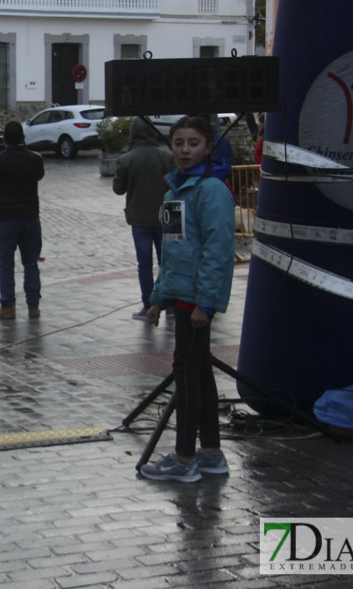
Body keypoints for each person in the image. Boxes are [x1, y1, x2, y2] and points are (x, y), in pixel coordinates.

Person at [140, 116, 236, 483]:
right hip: (180, 299)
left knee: (186, 373)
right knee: (197, 372)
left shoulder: (212, 190)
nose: (184, 150)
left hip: (196, 303)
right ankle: (210, 454)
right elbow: (172, 249)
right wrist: (157, 298)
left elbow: (218, 249)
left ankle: (183, 459)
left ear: (208, 147)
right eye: (178, 142)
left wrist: (206, 303)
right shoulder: (172, 192)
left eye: (193, 143)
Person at [0, 121, 45, 320]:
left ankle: (8, 306)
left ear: (4, 140)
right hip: (30, 216)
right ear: (23, 138)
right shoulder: (35, 159)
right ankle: (33, 307)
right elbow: (39, 176)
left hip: (6, 218)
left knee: (6, 263)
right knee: (31, 263)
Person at [113, 117, 174, 320]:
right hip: (166, 218)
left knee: (145, 264)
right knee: (168, 262)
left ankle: (148, 305)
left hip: (139, 219)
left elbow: (118, 189)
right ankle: (171, 303)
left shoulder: (127, 159)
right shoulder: (166, 158)